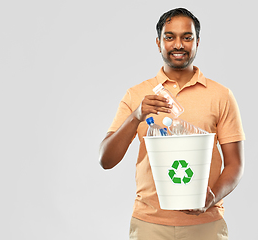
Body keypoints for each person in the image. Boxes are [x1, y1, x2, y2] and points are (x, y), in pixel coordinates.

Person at [99, 8, 245, 240]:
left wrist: (211, 198)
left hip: (206, 224)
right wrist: (136, 116)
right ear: (158, 43)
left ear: (198, 42)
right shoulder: (137, 94)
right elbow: (106, 159)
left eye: (187, 37)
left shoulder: (221, 95)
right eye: (170, 37)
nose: (179, 44)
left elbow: (235, 164)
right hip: (149, 224)